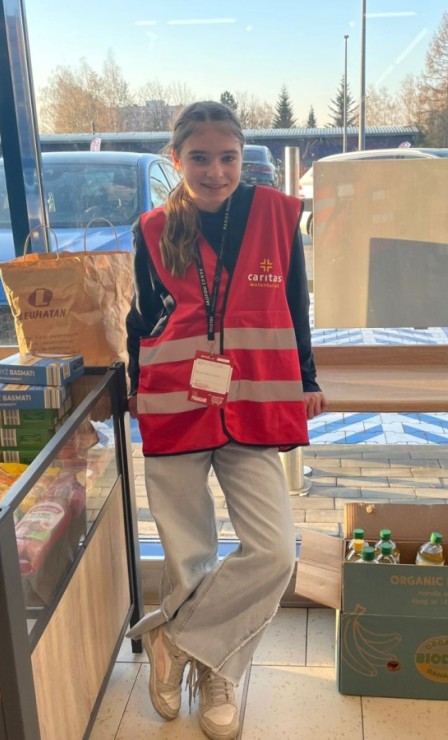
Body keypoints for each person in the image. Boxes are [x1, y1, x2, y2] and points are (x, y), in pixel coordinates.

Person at [125, 100, 327, 740]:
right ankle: (220, 675)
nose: (215, 171)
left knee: (273, 552)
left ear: (244, 158)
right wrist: (135, 384)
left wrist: (309, 379)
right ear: (176, 159)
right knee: (187, 555)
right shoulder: (153, 228)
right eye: (200, 158)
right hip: (174, 402)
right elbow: (143, 316)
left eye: (228, 158)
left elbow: (295, 305)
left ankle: (177, 641)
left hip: (253, 402)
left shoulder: (276, 215)